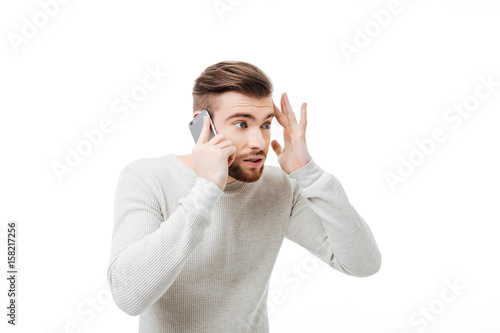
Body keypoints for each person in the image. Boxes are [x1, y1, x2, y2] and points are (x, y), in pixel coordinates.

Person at [106, 60, 382, 332]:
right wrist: (206, 189)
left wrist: (308, 174)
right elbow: (128, 296)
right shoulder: (147, 178)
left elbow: (362, 264)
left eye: (265, 124)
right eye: (241, 124)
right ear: (202, 125)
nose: (259, 143)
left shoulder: (280, 187)